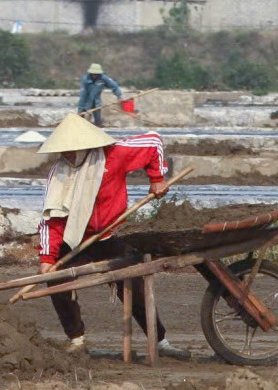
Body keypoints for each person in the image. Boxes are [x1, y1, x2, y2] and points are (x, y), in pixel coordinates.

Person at [35, 112, 177, 355]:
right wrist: (47, 258)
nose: (68, 155)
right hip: (76, 238)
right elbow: (52, 219)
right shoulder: (59, 173)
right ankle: (77, 339)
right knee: (56, 279)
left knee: (133, 283)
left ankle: (160, 341)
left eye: (72, 149)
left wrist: (157, 178)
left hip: (112, 235)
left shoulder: (114, 154)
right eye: (64, 151)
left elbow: (153, 142)